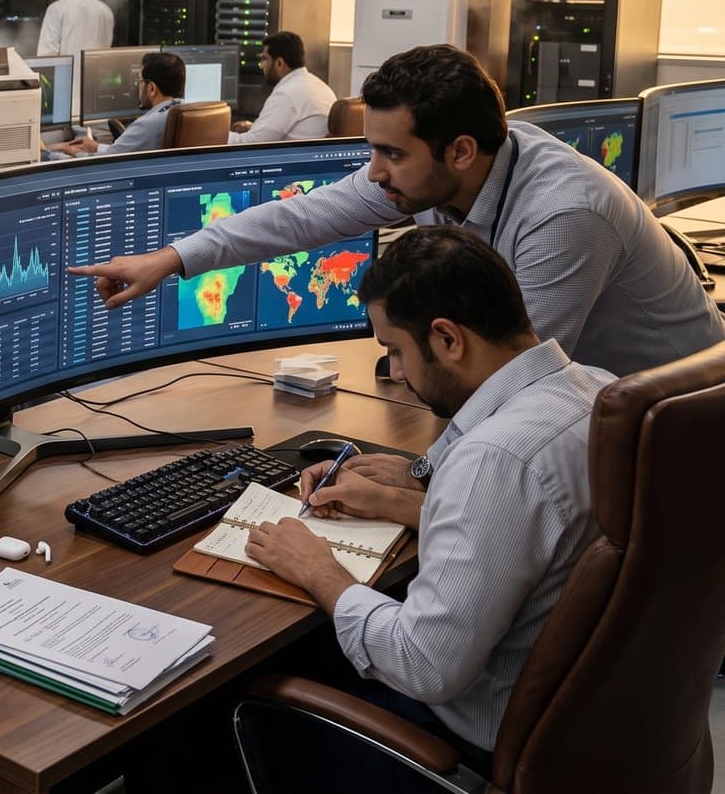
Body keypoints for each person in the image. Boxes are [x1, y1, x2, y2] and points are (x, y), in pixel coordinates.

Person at [72, 43, 724, 375]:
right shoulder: (438, 173)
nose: (374, 173)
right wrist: (170, 258)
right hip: (597, 401)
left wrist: (417, 478)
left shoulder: (563, 215)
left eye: (390, 153)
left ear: (460, 150)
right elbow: (303, 216)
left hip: (672, 424)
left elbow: (518, 386)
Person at [245, 226, 609, 773]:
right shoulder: (600, 390)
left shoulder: (496, 461)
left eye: (395, 350)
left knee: (215, 701)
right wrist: (415, 492)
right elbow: (534, 534)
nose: (394, 372)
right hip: (594, 723)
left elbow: (423, 666)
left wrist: (320, 572)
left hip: (477, 742)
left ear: (448, 339)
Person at [50, 51, 183, 158]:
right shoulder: (181, 114)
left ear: (151, 89)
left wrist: (70, 151)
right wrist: (96, 146)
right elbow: (117, 151)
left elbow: (106, 162)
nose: (138, 87)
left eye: (140, 82)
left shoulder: (147, 125)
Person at [230, 30, 332, 144]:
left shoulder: (287, 94)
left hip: (294, 159)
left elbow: (251, 144)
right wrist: (254, 127)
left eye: (264, 59)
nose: (261, 66)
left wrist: (211, 134)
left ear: (279, 63)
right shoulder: (317, 85)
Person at [36, 0, 115, 58]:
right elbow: (107, 45)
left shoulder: (56, 8)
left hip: (66, 71)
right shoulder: (105, 9)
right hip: (97, 70)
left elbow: (47, 52)